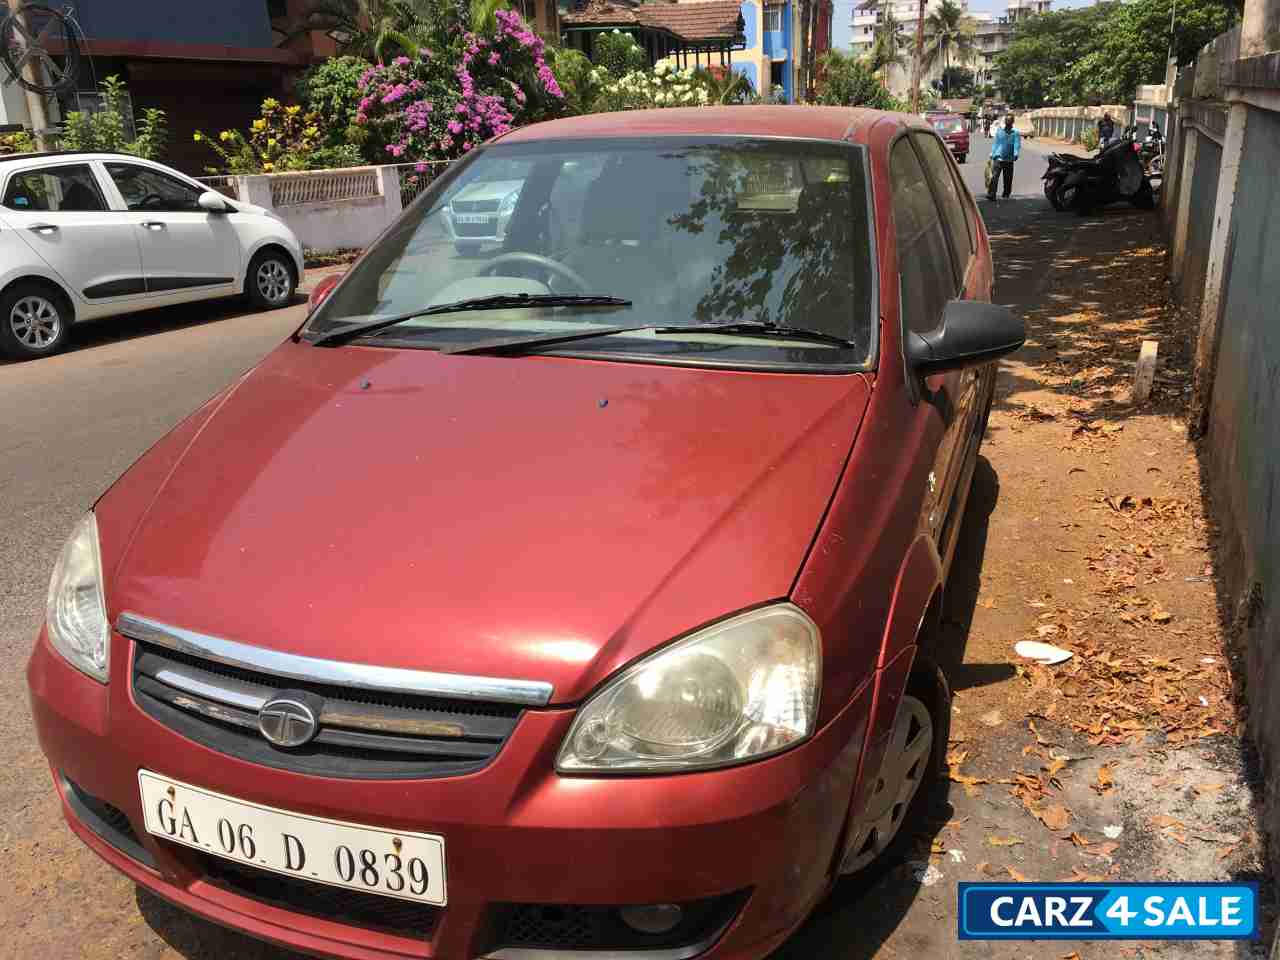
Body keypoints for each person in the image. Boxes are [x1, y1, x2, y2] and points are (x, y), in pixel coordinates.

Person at [987, 114, 1020, 201]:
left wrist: (1016, 153)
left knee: (1008, 178)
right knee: (994, 177)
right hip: (998, 157)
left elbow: (1017, 144)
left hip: (1009, 158)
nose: (1007, 122)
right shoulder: (1000, 131)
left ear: (1012, 122)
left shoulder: (1015, 133)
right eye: (1006, 120)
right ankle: (991, 194)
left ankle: (1006, 194)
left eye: (1009, 120)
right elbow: (996, 143)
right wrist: (992, 153)